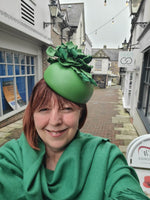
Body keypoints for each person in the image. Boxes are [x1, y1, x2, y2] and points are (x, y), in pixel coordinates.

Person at [0, 42, 149, 200]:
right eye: (44, 109)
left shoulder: (105, 156)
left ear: (81, 114)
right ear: (32, 115)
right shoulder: (11, 157)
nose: (55, 120)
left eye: (67, 109)